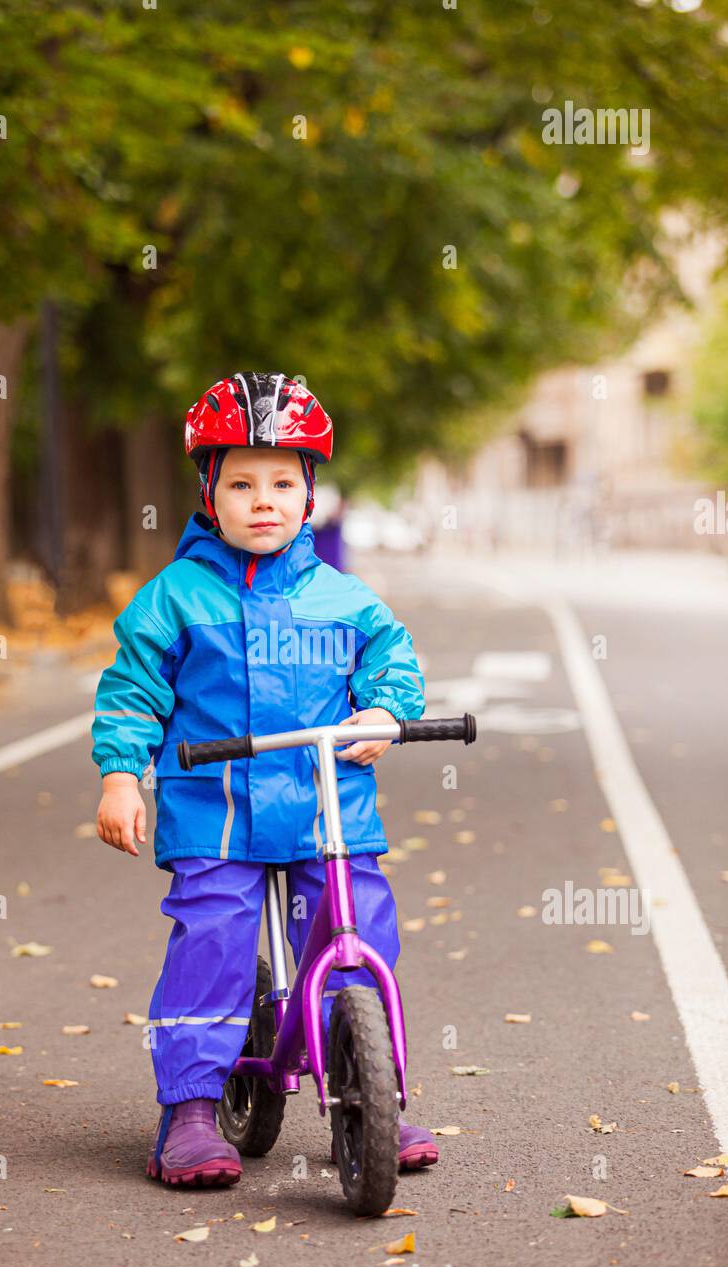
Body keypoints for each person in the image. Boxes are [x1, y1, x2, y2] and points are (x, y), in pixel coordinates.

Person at [91, 371, 439, 1188]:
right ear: (208, 493)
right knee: (212, 939)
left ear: (309, 493)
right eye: (241, 483)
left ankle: (371, 1086)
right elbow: (132, 692)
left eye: (283, 482)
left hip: (327, 809)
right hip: (214, 810)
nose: (263, 501)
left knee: (359, 936)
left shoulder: (344, 599)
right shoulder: (173, 598)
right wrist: (120, 777)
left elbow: (394, 661)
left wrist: (388, 712)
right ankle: (190, 1108)